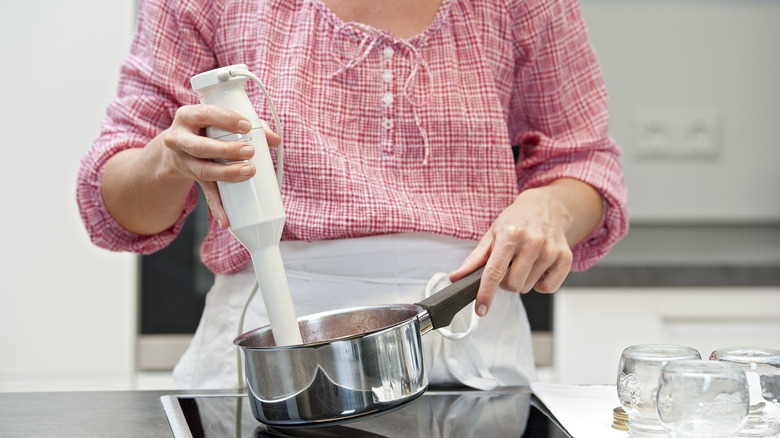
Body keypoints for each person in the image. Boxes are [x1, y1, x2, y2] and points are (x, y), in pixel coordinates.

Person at [77, 0, 628, 389]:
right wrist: (168, 159)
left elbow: (584, 162)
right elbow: (118, 206)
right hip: (270, 362)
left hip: (469, 351)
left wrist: (549, 204)